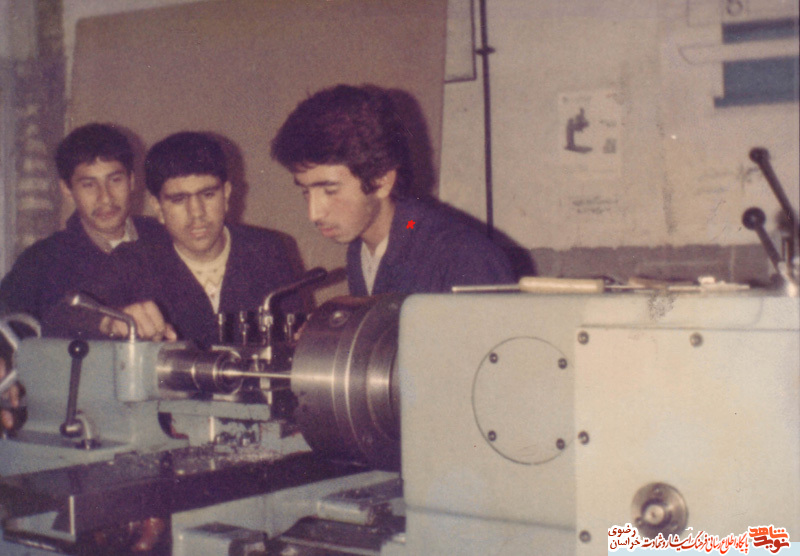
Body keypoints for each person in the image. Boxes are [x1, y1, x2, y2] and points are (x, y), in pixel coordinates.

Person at [271, 84, 515, 295]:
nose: (314, 214)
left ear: (382, 181)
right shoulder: (364, 246)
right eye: (306, 191)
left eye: (330, 190)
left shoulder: (464, 257)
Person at [67, 131, 301, 345]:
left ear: (226, 194)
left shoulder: (267, 250)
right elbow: (64, 316)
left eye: (208, 194)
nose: (197, 213)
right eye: (178, 200)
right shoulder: (134, 260)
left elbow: (300, 336)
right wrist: (110, 321)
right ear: (157, 206)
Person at [0, 123, 166, 320]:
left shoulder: (164, 240)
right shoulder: (41, 262)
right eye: (88, 185)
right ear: (67, 190)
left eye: (115, 180)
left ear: (131, 181)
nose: (105, 198)